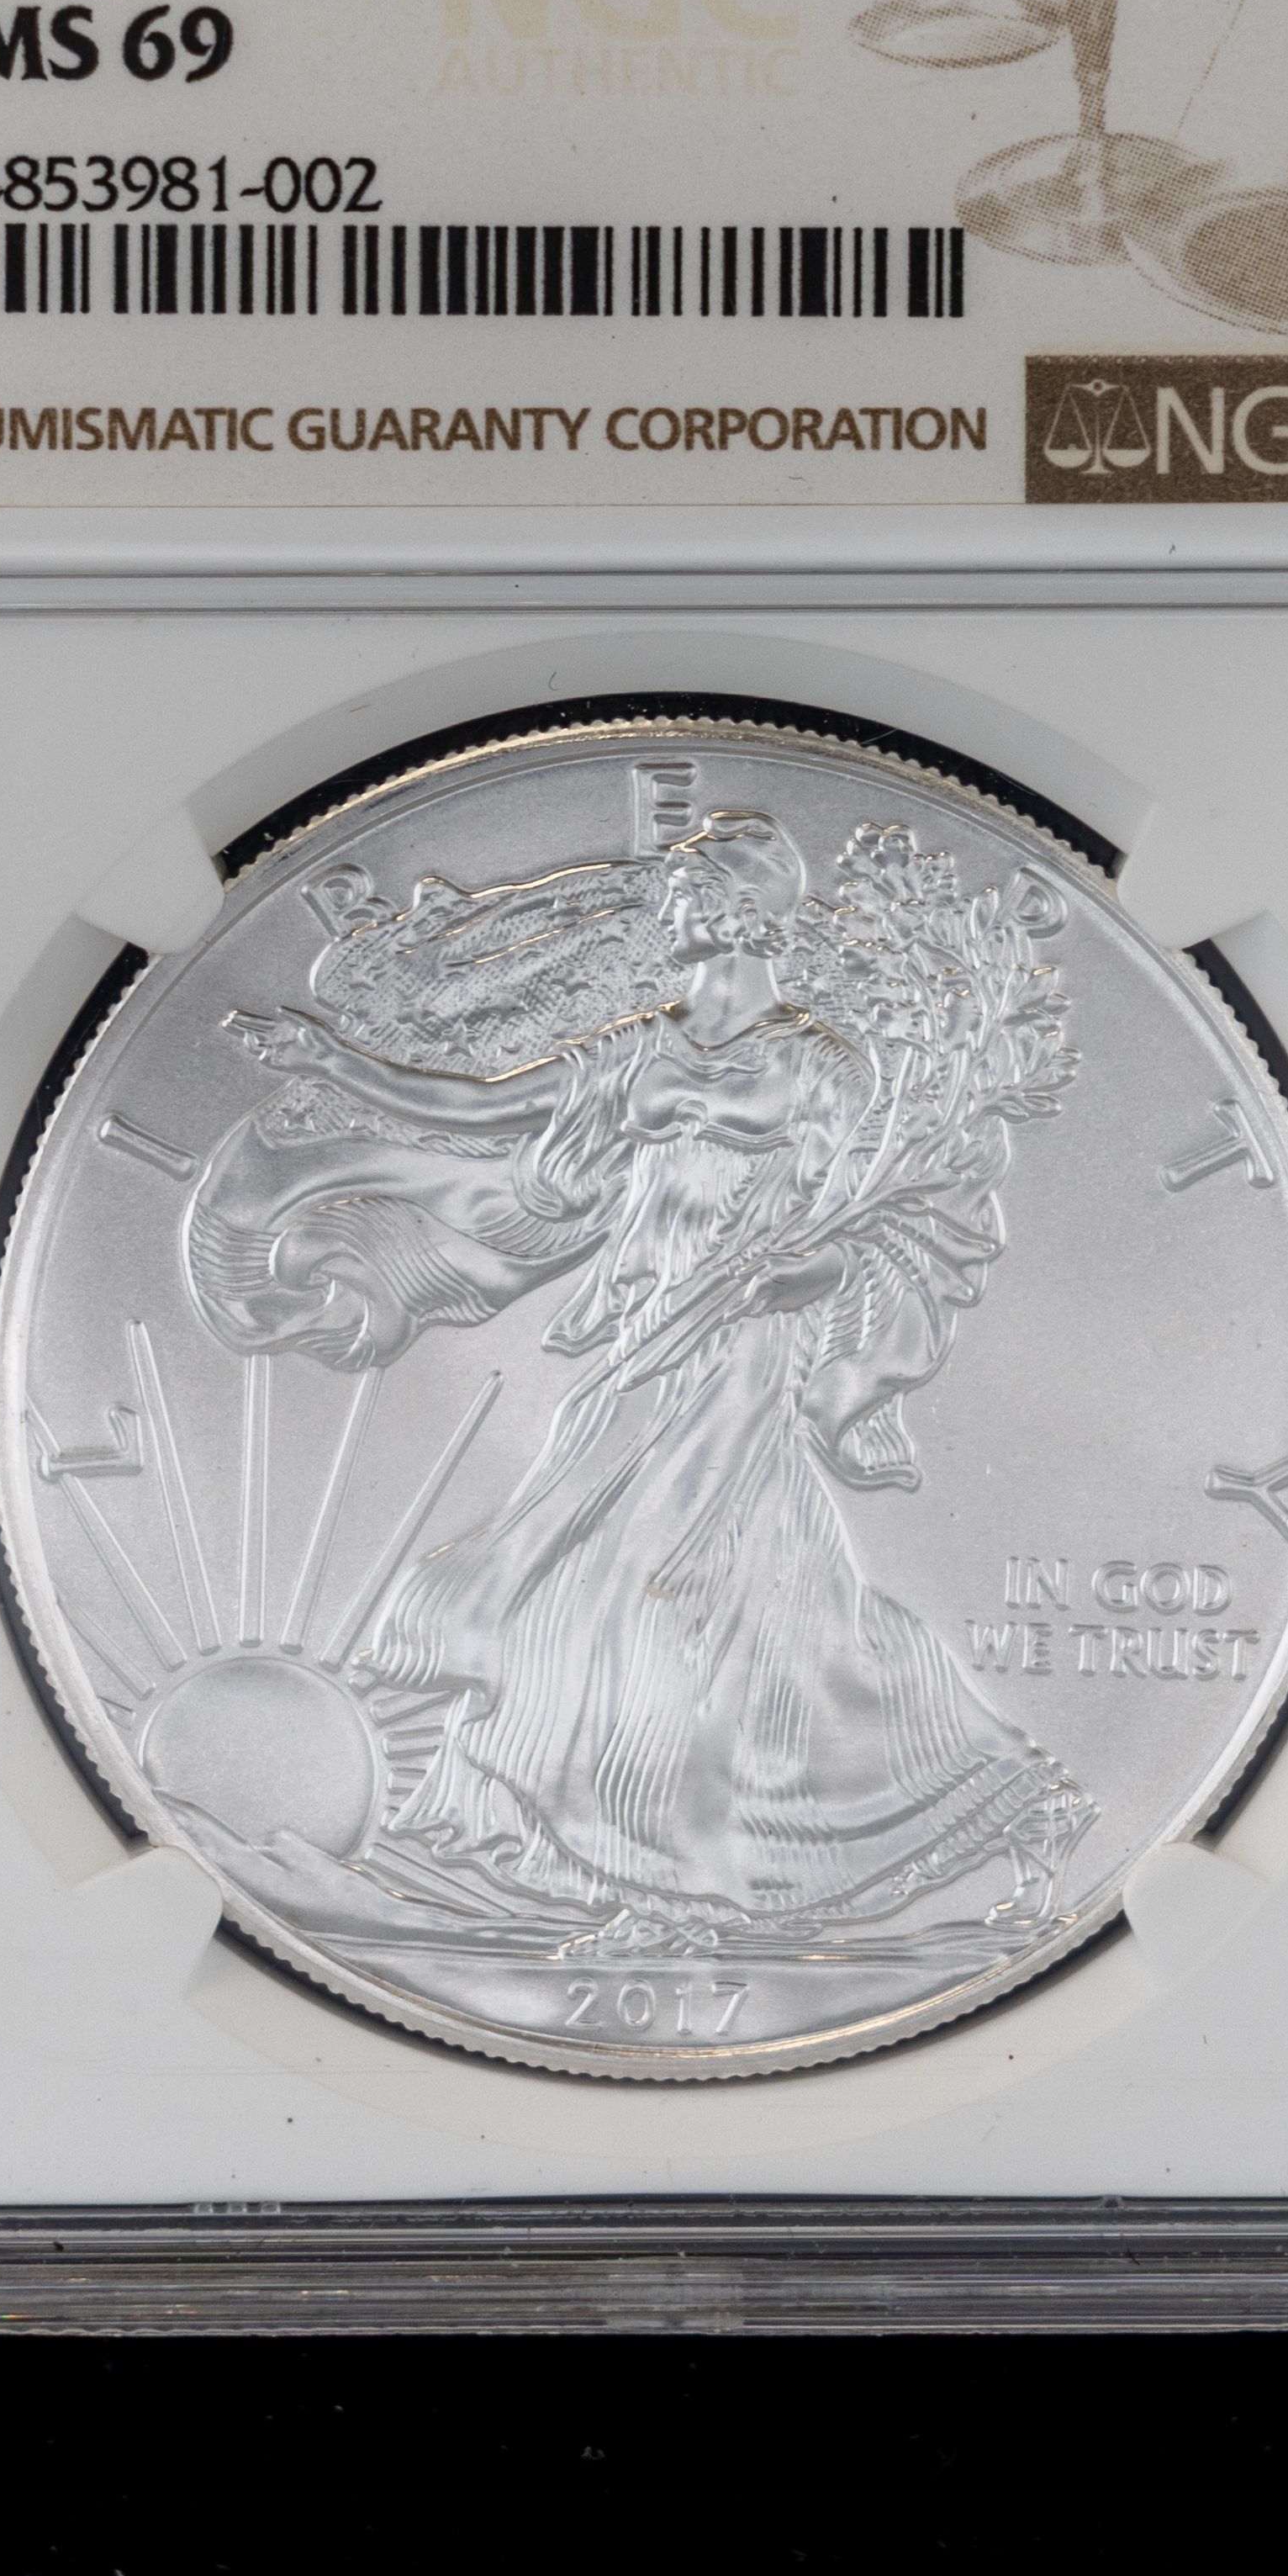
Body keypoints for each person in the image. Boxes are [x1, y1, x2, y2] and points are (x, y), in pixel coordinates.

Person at [187, 811, 1091, 1957]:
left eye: (700, 891)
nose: (678, 907)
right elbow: (485, 1107)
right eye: (681, 890)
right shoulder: (638, 1050)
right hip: (650, 1332)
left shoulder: (822, 1066)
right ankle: (982, 1802)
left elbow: (879, 1220)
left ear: (750, 914)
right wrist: (331, 1062)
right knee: (743, 1601)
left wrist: (810, 1273)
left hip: (744, 1344)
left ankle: (672, 1892)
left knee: (647, 1582)